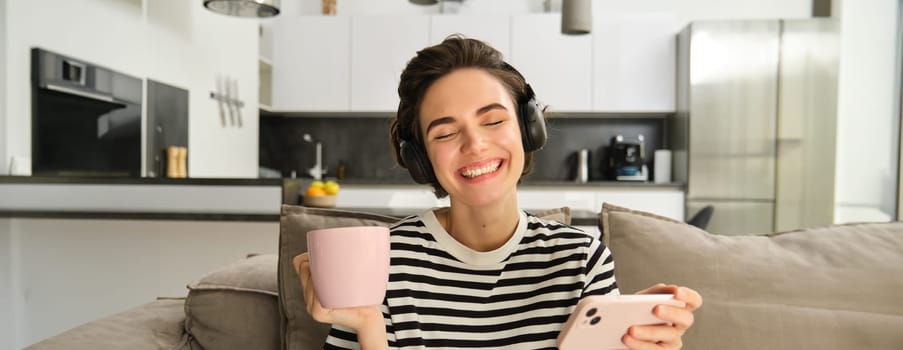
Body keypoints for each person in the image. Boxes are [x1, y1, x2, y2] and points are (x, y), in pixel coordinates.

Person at [294, 35, 702, 349]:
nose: (475, 145)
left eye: (492, 121)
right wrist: (368, 326)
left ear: (528, 130)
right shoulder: (381, 262)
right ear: (419, 158)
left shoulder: (581, 261)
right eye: (447, 132)